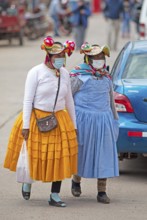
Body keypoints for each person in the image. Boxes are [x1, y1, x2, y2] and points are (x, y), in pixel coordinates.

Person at [4, 36, 78, 208]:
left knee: (59, 157)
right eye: (56, 56)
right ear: (48, 57)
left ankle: (54, 195)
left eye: (62, 56)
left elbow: (69, 102)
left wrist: (74, 126)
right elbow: (28, 100)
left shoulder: (65, 74)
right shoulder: (35, 72)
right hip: (36, 119)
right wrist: (26, 127)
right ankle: (27, 182)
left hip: (59, 119)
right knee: (35, 156)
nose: (60, 59)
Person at [70, 42, 119, 204]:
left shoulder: (106, 78)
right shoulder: (78, 76)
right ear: (88, 59)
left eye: (102, 57)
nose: (100, 59)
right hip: (83, 120)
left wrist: (114, 120)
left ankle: (102, 191)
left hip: (103, 120)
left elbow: (111, 100)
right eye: (96, 57)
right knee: (81, 152)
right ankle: (76, 181)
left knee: (103, 154)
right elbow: (67, 98)